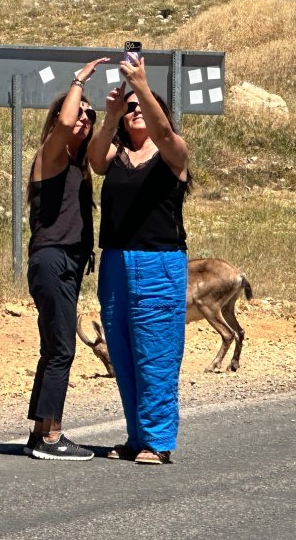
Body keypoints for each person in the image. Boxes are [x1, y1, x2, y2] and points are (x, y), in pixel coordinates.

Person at [86, 57, 190, 466]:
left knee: (157, 354)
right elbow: (95, 160)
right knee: (125, 353)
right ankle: (136, 437)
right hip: (115, 262)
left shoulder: (172, 154)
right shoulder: (116, 155)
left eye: (143, 107)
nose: (136, 111)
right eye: (131, 108)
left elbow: (164, 133)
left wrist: (141, 87)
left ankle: (158, 440)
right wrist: (111, 115)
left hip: (159, 264)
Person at [23, 57, 105, 461]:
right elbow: (66, 120)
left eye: (91, 115)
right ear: (58, 119)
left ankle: (40, 431)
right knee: (62, 350)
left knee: (53, 347)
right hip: (53, 261)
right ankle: (52, 437)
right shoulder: (50, 156)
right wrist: (79, 81)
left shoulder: (76, 165)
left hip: (65, 265)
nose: (85, 117)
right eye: (79, 111)